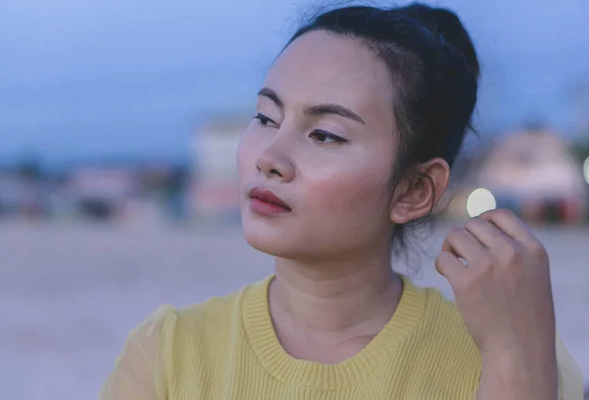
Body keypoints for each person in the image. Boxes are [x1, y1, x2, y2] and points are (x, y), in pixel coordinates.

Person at [100, 3, 584, 399]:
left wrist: (515, 364)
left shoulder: (511, 355)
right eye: (266, 117)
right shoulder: (168, 354)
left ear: (415, 190)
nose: (270, 157)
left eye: (325, 135)